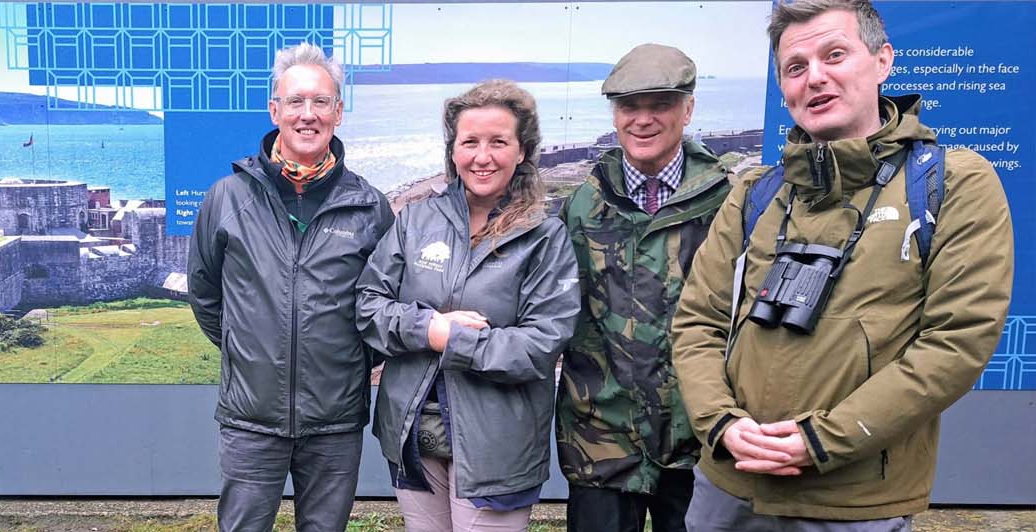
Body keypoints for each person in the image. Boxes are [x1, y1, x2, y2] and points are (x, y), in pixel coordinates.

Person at [671, 1, 1014, 529]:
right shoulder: (755, 193)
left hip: (853, 503)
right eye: (796, 67)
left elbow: (957, 340)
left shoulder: (957, 183)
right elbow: (698, 323)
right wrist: (720, 423)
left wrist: (821, 440)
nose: (816, 78)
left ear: (882, 61)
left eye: (835, 54)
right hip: (728, 489)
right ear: (783, 88)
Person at [187, 41, 394, 532]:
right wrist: (248, 350)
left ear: (338, 112)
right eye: (296, 102)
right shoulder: (227, 198)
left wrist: (346, 364)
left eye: (321, 102)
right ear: (274, 109)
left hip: (335, 422)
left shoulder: (370, 207)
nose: (308, 115)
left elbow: (386, 304)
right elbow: (205, 294)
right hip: (250, 419)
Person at [356, 79, 580, 531]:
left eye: (499, 142)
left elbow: (541, 344)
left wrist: (454, 340)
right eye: (470, 142)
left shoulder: (544, 236)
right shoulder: (416, 221)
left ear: (522, 151)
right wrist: (428, 328)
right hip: (413, 438)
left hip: (497, 446)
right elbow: (369, 306)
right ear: (453, 150)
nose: (482, 156)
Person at [556, 43, 730, 532]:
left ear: (688, 109)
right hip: (600, 439)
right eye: (630, 106)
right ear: (615, 114)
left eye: (661, 105)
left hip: (700, 439)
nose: (643, 120)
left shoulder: (729, 203)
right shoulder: (583, 204)